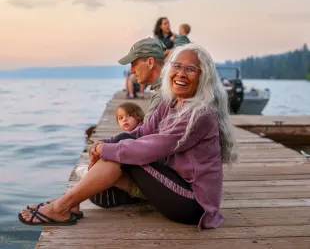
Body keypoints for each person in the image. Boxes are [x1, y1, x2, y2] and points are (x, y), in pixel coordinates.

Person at [18, 43, 237, 230]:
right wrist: (105, 144)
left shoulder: (201, 115)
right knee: (122, 143)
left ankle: (61, 206)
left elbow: (155, 147)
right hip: (173, 185)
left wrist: (105, 150)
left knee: (125, 155)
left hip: (194, 204)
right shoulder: (170, 103)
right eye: (177, 66)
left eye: (190, 69)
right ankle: (70, 203)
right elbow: (142, 132)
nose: (181, 73)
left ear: (203, 77)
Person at [118, 37, 165, 121]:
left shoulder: (162, 95)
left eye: (135, 64)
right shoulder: (166, 86)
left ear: (150, 62)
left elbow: (146, 131)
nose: (132, 71)